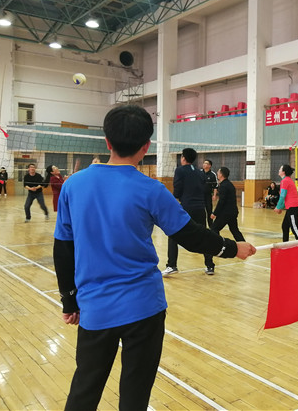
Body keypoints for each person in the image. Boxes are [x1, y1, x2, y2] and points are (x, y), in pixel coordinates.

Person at [53, 104, 256, 411]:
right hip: (144, 309)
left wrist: (69, 301)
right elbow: (191, 236)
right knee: (135, 396)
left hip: (96, 309)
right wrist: (232, 248)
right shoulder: (152, 190)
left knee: (84, 390)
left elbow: (63, 248)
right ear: (146, 146)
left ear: (107, 142)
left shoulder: (73, 185)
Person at [162, 148, 207, 276]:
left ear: (183, 158)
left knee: (173, 234)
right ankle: (210, 265)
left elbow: (177, 191)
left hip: (187, 207)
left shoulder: (180, 170)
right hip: (200, 208)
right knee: (205, 236)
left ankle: (172, 265)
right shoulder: (200, 172)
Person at [204, 166, 246, 274]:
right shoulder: (229, 184)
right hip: (232, 212)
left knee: (213, 230)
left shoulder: (223, 186)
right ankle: (244, 246)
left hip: (226, 214)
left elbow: (221, 202)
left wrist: (214, 213)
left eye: (218, 172)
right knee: (234, 230)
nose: (217, 173)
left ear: (221, 174)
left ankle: (216, 247)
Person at [274, 164, 298, 242]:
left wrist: (278, 207)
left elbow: (282, 196)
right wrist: (281, 207)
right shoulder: (287, 180)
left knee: (294, 228)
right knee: (285, 226)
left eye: (280, 169)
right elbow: (286, 197)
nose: (279, 170)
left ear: (283, 172)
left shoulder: (285, 181)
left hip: (293, 207)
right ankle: (285, 244)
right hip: (291, 207)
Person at [201, 159, 218, 227]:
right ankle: (202, 226)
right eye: (204, 163)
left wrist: (214, 195)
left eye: (206, 163)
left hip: (208, 196)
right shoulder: (199, 173)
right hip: (200, 196)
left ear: (209, 165)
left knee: (209, 211)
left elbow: (215, 186)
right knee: (201, 212)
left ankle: (211, 227)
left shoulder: (212, 174)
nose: (204, 164)